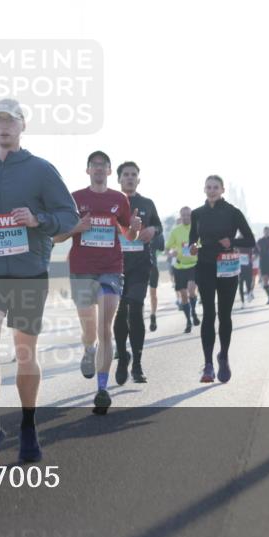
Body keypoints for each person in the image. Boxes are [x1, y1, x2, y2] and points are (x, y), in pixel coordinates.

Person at [0, 98, 78, 461]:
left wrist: (38, 220)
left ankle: (28, 425)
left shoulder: (40, 169)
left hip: (28, 271)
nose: (4, 126)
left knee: (25, 352)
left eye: (11, 120)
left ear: (23, 125)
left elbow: (68, 217)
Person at [55, 151, 140, 415]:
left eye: (104, 166)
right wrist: (76, 229)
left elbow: (129, 234)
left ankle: (102, 389)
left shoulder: (119, 199)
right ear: (88, 170)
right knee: (90, 329)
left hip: (110, 270)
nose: (100, 169)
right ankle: (87, 349)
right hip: (81, 270)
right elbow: (56, 237)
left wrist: (134, 227)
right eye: (95, 166)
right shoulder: (75, 199)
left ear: (109, 170)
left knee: (105, 326)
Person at [188, 175, 255, 383]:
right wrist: (193, 248)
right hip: (205, 266)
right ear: (204, 189)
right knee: (209, 313)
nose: (212, 190)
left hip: (227, 266)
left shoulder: (233, 212)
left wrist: (232, 241)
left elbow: (250, 240)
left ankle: (223, 357)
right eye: (208, 187)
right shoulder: (197, 214)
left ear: (222, 189)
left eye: (216, 187)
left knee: (224, 315)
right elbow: (194, 240)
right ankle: (208, 365)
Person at [112, 161, 160, 383]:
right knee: (119, 313)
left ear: (138, 179)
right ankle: (123, 356)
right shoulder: (111, 201)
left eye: (133, 175)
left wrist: (152, 229)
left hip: (141, 264)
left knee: (136, 310)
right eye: (126, 175)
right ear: (119, 179)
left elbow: (158, 228)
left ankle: (138, 365)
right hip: (114, 265)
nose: (130, 178)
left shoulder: (147, 203)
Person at [165, 206, 199, 333]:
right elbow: (167, 248)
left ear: (192, 216)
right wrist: (171, 253)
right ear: (180, 216)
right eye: (183, 215)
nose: (186, 217)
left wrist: (197, 248)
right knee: (184, 296)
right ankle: (189, 320)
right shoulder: (175, 231)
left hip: (193, 265)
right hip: (179, 266)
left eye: (188, 215)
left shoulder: (196, 229)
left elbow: (201, 244)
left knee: (191, 290)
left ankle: (194, 312)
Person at [148, 231, 164, 331]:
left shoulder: (156, 232)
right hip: (145, 267)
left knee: (152, 294)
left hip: (151, 267)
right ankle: (152, 314)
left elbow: (162, 247)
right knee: (151, 294)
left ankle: (153, 315)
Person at [256, 226, 269, 307]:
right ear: (263, 232)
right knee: (265, 282)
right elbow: (256, 251)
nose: (267, 233)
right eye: (266, 231)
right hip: (263, 262)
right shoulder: (260, 241)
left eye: (268, 231)